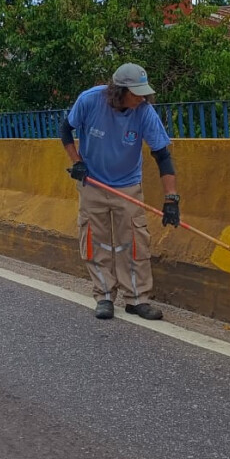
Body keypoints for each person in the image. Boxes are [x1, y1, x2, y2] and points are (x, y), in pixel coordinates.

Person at [60, 62, 181, 321]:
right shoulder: (89, 101)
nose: (141, 98)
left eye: (144, 93)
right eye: (135, 93)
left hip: (127, 185)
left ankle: (137, 299)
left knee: (134, 243)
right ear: (118, 91)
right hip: (93, 184)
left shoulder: (145, 112)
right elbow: (65, 130)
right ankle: (103, 295)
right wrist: (77, 162)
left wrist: (171, 198)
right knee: (96, 241)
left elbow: (162, 155)